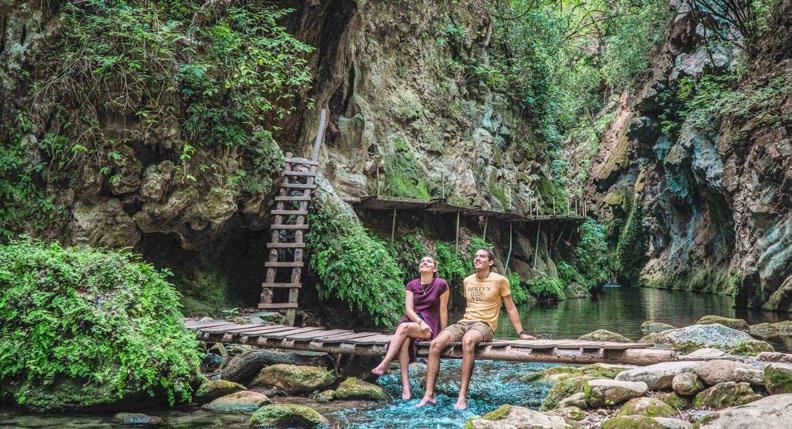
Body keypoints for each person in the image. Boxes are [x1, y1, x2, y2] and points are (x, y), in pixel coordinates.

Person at [417, 248, 536, 410]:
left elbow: (510, 307)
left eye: (482, 256)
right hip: (464, 322)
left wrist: (521, 333)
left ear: (491, 262)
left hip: (485, 325)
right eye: (476, 256)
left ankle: (462, 396)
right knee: (435, 344)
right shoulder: (467, 280)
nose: (477, 258)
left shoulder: (500, 280)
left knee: (468, 340)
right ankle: (429, 394)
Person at [371, 256, 449, 400]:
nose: (424, 262)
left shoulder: (441, 284)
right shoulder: (411, 285)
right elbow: (408, 309)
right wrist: (420, 322)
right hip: (413, 320)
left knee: (403, 328)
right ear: (419, 267)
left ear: (434, 269)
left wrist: (444, 333)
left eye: (429, 261)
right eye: (422, 261)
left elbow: (443, 310)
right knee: (404, 340)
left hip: (430, 325)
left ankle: (385, 362)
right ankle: (406, 388)